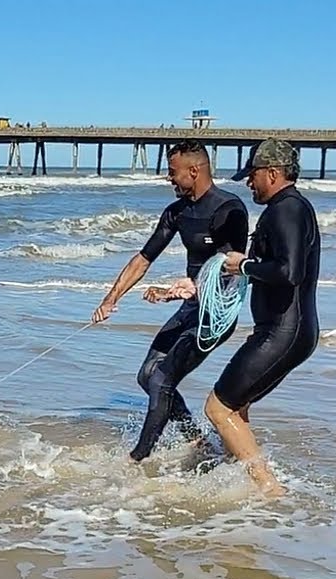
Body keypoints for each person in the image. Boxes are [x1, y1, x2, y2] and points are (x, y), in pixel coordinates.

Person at [92, 139, 251, 462]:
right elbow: (144, 258)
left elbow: (232, 266)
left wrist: (182, 289)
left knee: (162, 377)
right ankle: (197, 440)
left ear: (194, 171)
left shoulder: (229, 209)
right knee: (147, 375)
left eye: (173, 172)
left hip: (215, 314)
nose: (169, 178)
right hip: (191, 306)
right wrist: (110, 299)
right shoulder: (177, 212)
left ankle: (137, 459)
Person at [202, 137, 322, 497]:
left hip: (284, 332)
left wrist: (245, 264)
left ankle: (270, 491)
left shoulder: (287, 209)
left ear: (272, 173)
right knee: (236, 408)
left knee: (218, 409)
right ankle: (234, 476)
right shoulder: (291, 208)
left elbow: (289, 271)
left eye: (253, 175)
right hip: (289, 331)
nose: (249, 183)